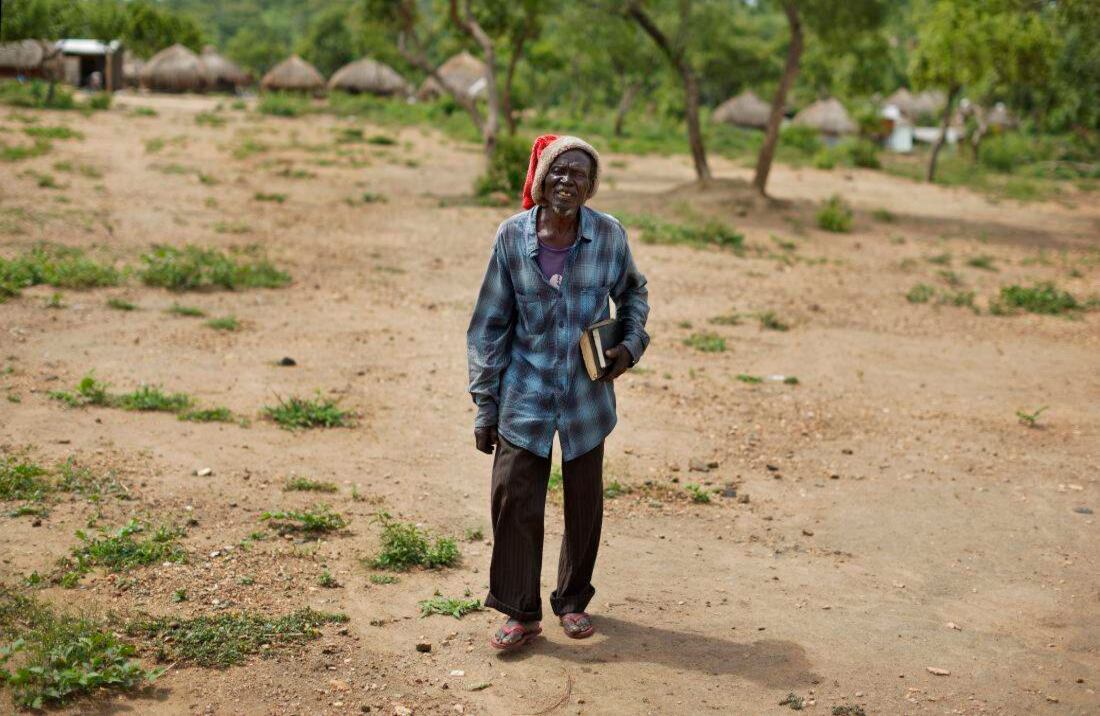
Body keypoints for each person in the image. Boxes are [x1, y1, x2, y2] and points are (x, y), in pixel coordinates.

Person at [466, 135, 650, 650]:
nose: (568, 180)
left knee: (583, 504)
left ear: (591, 188)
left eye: (579, 174)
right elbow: (488, 326)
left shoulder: (609, 236)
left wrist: (630, 345)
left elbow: (633, 293)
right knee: (513, 500)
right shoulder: (510, 238)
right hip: (523, 393)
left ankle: (572, 600)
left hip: (585, 398)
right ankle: (519, 613)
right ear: (541, 180)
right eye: (559, 172)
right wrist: (486, 405)